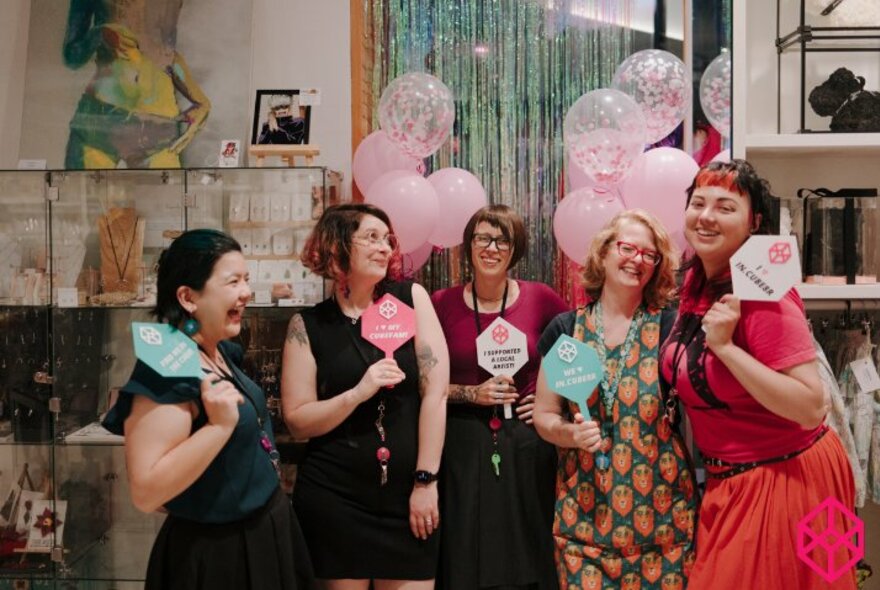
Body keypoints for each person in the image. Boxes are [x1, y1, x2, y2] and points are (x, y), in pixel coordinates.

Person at [659, 159, 857, 589]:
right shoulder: (696, 281)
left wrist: (727, 349)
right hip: (730, 482)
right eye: (698, 203)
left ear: (755, 222)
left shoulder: (762, 287)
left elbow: (810, 406)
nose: (707, 216)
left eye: (726, 207)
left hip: (788, 479)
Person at [102, 229, 313, 590]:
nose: (246, 292)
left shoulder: (219, 351)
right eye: (232, 282)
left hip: (264, 534)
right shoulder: (167, 369)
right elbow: (146, 492)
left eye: (246, 279)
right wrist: (218, 429)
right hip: (219, 558)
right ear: (187, 297)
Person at [282, 203, 449, 589]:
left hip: (409, 494)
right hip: (335, 499)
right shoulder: (308, 325)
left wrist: (426, 481)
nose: (385, 248)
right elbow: (298, 419)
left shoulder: (410, 299)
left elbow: (435, 393)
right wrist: (357, 393)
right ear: (338, 246)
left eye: (387, 240)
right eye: (371, 237)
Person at [533, 209, 697, 589]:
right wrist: (570, 436)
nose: (637, 260)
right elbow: (544, 415)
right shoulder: (566, 330)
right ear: (604, 252)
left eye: (649, 255)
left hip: (663, 528)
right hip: (584, 528)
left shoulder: (672, 327)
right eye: (627, 248)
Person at [430, 204, 568, 590]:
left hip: (525, 440)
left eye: (502, 240)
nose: (491, 248)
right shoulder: (441, 304)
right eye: (482, 238)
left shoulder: (541, 298)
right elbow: (422, 380)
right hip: (460, 441)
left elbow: (575, 353)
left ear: (515, 248)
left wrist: (547, 397)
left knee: (526, 541)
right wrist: (469, 393)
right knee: (464, 542)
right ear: (469, 245)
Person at [63, 0, 211, 168]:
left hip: (157, 125)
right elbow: (72, 56)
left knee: (166, 194)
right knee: (79, 192)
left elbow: (166, 50)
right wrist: (100, 34)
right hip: (101, 121)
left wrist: (200, 101)